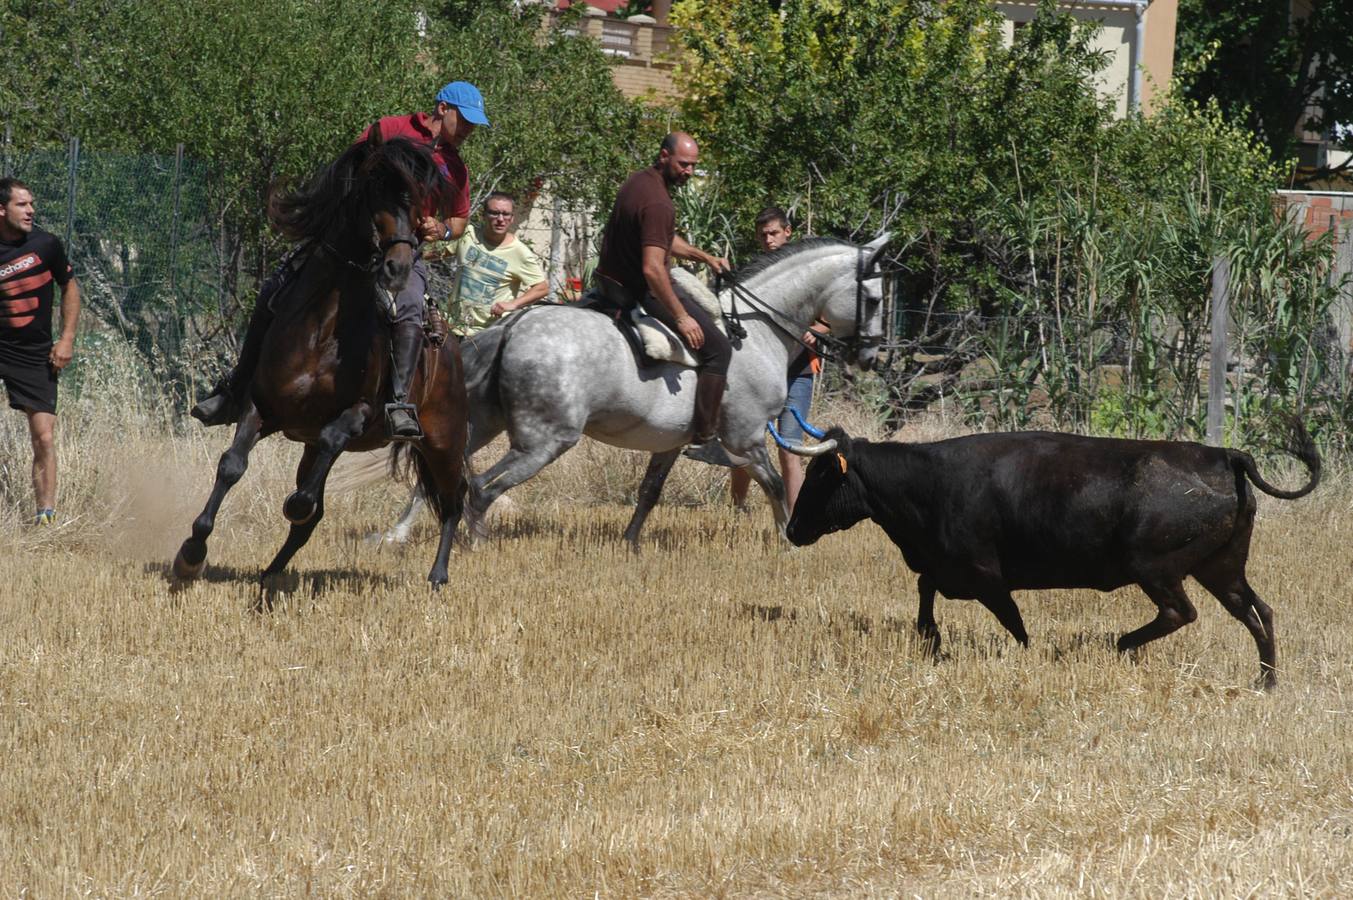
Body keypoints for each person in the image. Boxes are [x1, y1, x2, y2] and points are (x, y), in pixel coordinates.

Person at [191, 80, 490, 439]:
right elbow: (349, 170)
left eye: (475, 123)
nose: (471, 129)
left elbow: (459, 221)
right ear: (443, 108)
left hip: (402, 251)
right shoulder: (390, 129)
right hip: (352, 243)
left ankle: (398, 405)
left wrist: (439, 228)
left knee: (410, 304)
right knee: (276, 287)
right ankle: (235, 389)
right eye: (466, 119)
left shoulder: (456, 168)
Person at [595, 132, 737, 466]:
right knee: (719, 349)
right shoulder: (659, 201)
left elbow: (663, 238)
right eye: (683, 164)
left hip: (607, 280)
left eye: (693, 166)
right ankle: (705, 438)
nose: (688, 171)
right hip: (636, 289)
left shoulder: (639, 182)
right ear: (664, 156)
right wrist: (681, 317)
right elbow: (653, 270)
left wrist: (705, 257)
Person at [729, 206, 827, 513]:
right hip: (756, 372)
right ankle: (737, 511)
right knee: (744, 445)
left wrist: (818, 329)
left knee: (789, 447)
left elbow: (831, 319)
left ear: (788, 232)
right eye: (762, 235)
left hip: (796, 372)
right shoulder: (755, 273)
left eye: (773, 233)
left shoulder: (810, 275)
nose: (768, 240)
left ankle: (794, 518)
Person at [0, 177, 81, 525]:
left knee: (44, 436)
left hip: (34, 353)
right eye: (22, 204)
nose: (31, 210)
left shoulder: (46, 244)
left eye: (31, 204)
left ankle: (44, 517)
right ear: (2, 209)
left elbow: (70, 287)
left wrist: (66, 339)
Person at [426, 191, 547, 336]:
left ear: (512, 218)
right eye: (494, 213)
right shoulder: (468, 234)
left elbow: (542, 287)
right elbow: (435, 254)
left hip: (489, 334)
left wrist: (512, 304)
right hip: (453, 326)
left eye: (506, 214)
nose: (500, 219)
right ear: (484, 215)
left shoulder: (520, 252)